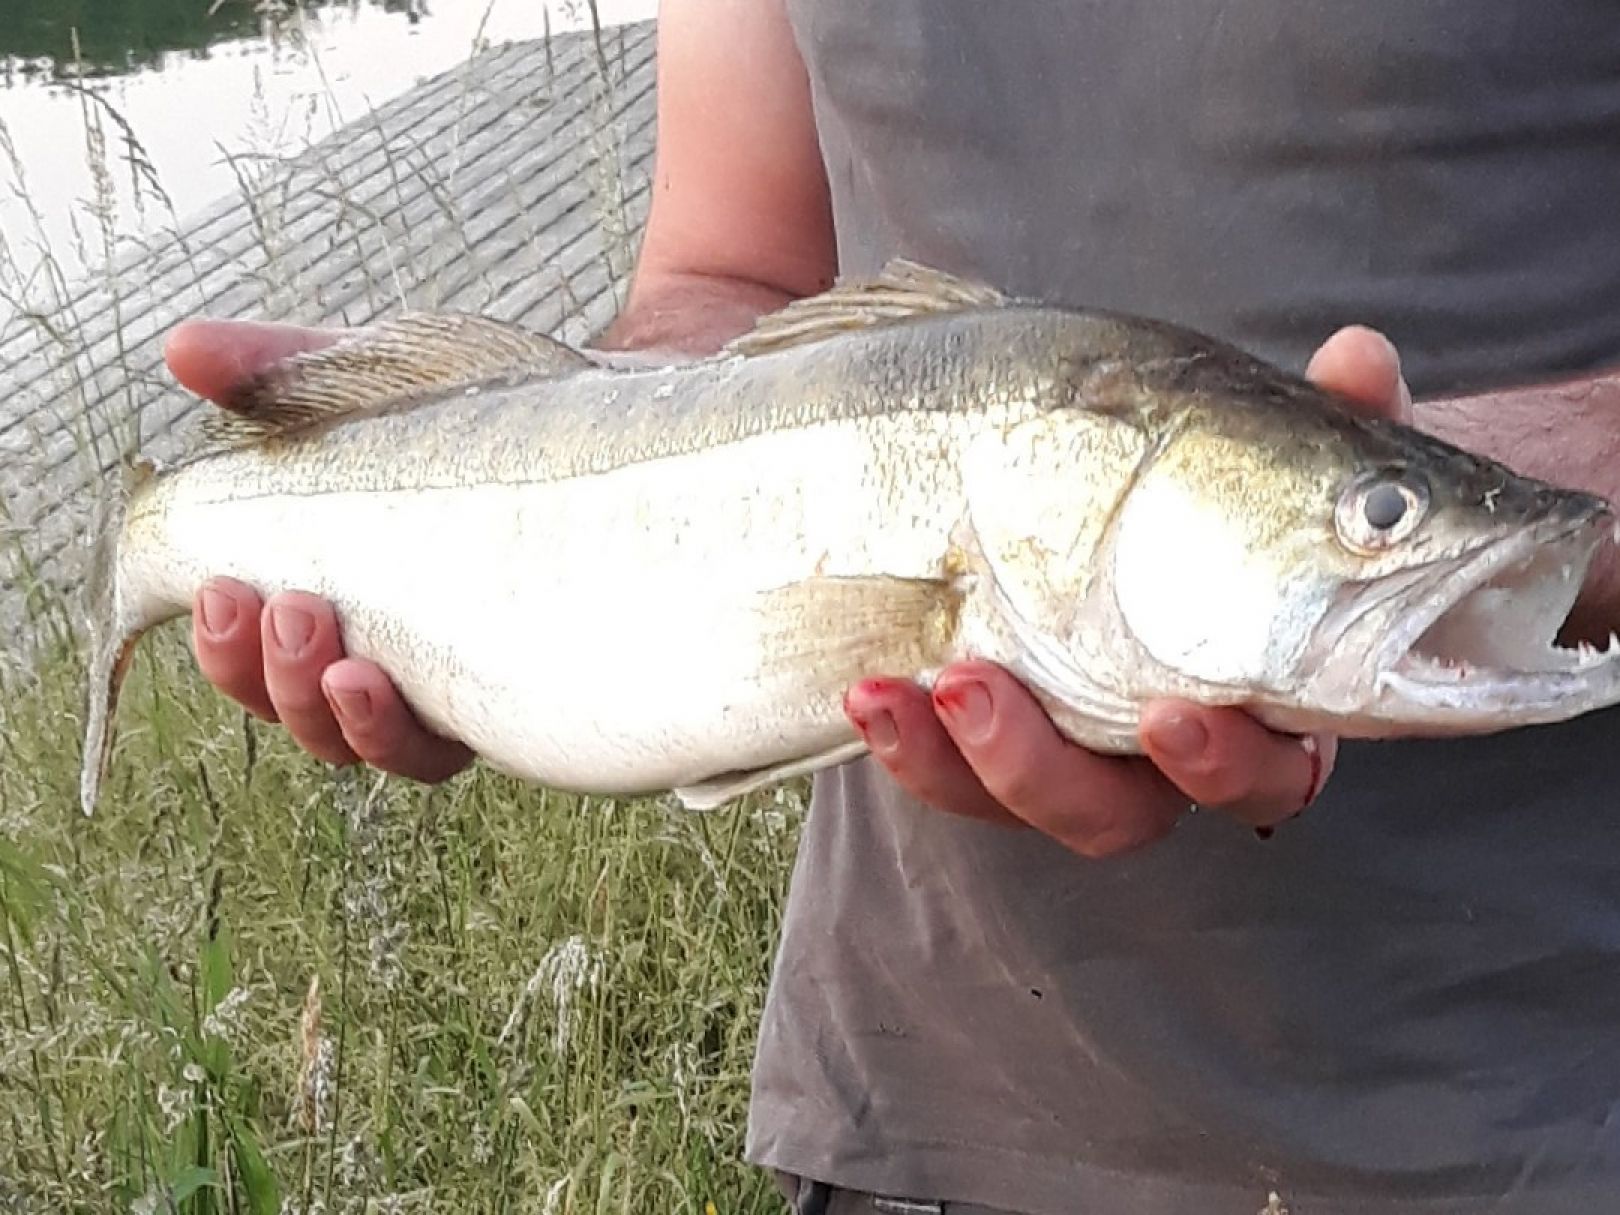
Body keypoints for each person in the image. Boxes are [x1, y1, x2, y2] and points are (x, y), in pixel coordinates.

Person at [163, 1, 1620, 1211]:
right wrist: (527, 484)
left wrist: (1456, 503)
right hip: (915, 1112)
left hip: (1537, 1122)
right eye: (1378, 522)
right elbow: (727, 274)